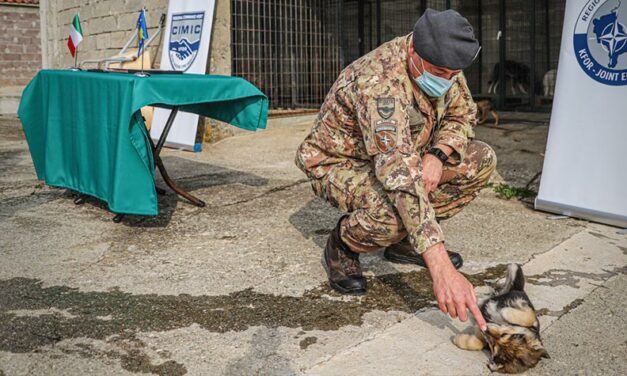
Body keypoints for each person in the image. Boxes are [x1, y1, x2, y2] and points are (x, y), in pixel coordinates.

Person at [295, 9, 496, 330]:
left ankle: (405, 242)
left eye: (453, 74)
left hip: (402, 156)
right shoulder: (380, 83)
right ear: (413, 50)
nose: (446, 81)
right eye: (440, 72)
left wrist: (438, 155)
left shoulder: (445, 65)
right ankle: (343, 245)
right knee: (391, 211)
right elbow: (398, 174)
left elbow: (463, 116)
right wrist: (441, 267)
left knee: (478, 159)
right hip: (339, 163)